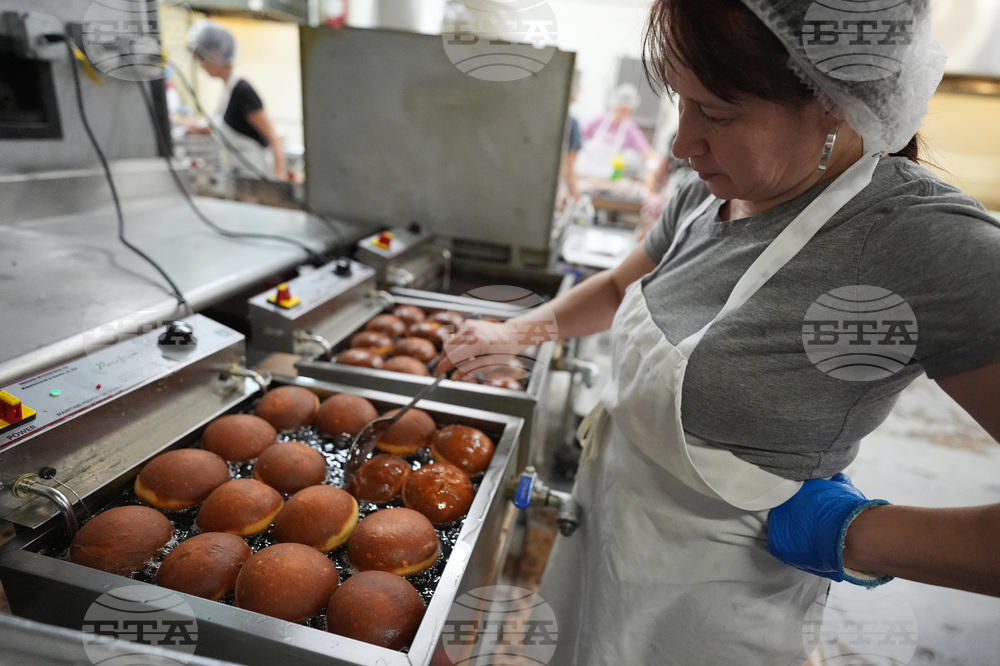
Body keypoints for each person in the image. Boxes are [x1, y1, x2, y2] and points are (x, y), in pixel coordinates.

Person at [439, 0, 1000, 663]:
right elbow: (622, 287)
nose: (682, 143)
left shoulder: (920, 242)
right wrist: (525, 329)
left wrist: (855, 535)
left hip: (712, 620)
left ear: (831, 98)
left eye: (719, 112)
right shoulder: (707, 193)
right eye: (682, 100)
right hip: (602, 553)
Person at [185, 20, 286, 180]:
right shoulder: (228, 90)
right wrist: (200, 129)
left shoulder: (242, 91)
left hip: (255, 178)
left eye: (201, 58)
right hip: (238, 175)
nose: (200, 65)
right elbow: (233, 126)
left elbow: (274, 138)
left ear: (215, 55)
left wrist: (279, 178)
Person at [575, 83, 658, 180]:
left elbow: (646, 152)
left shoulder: (630, 130)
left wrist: (660, 162)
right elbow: (577, 136)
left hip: (606, 179)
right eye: (622, 109)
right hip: (582, 174)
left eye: (628, 110)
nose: (624, 113)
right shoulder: (598, 121)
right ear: (615, 105)